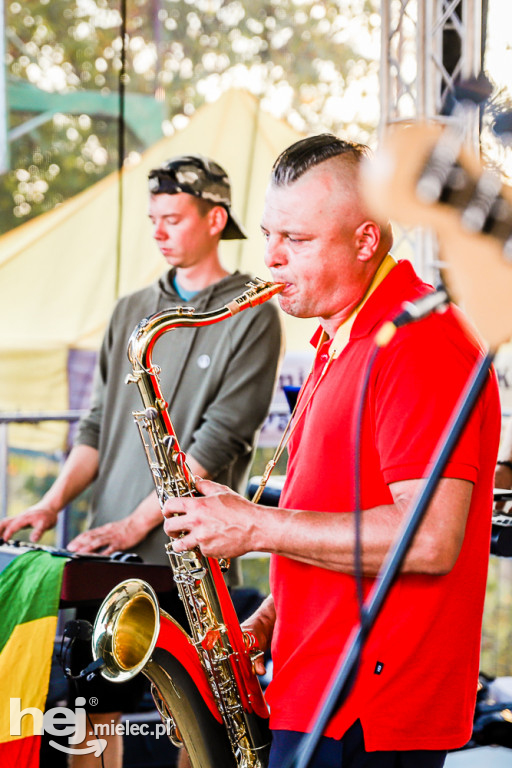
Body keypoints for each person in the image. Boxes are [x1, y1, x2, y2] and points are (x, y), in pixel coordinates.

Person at [161, 134, 501, 768]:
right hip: (316, 690)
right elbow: (341, 512)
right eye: (268, 234)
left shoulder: (418, 345)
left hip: (370, 712)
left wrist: (254, 524)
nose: (272, 258)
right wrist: (271, 614)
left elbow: (427, 538)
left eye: (298, 240)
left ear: (365, 241)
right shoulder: (338, 338)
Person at [0, 154, 283, 767]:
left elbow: (213, 446)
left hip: (190, 563)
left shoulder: (253, 315)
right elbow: (97, 426)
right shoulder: (131, 308)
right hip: (106, 557)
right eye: (153, 218)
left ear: (216, 219)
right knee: (90, 707)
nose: (158, 231)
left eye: (173, 218)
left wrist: (134, 525)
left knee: (196, 721)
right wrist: (51, 505)